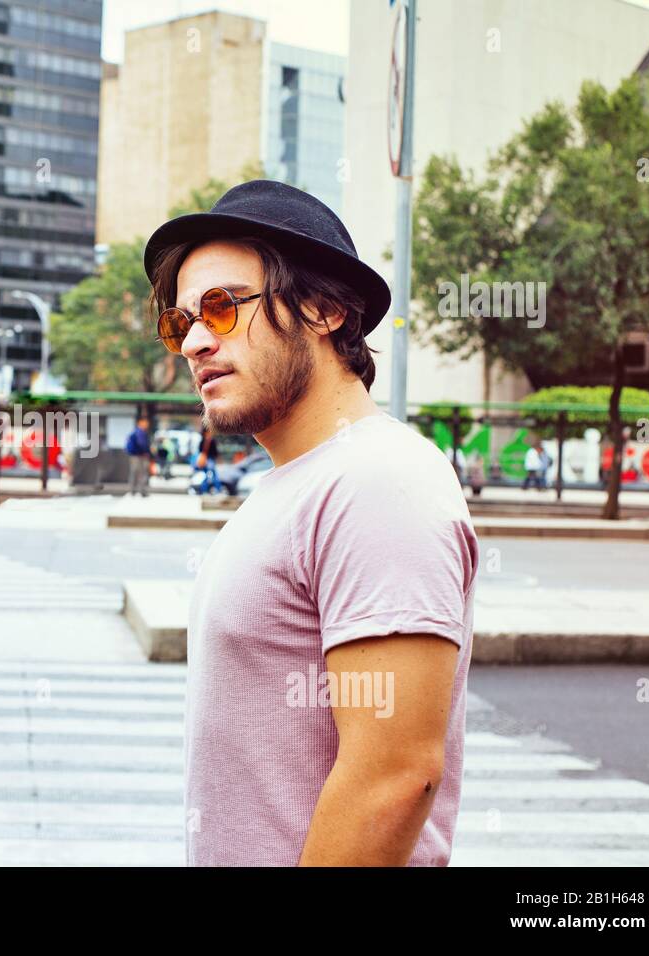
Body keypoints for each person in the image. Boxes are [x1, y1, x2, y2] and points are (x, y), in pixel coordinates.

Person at [145, 179, 477, 866]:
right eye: (182, 322)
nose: (195, 343)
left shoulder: (377, 480)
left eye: (222, 308)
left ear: (324, 307)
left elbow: (393, 777)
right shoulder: (294, 485)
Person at [125, 416, 152, 497]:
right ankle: (141, 490)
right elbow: (142, 444)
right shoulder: (140, 432)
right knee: (142, 473)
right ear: (140, 422)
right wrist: (147, 452)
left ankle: (132, 490)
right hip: (140, 456)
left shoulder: (135, 432)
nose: (147, 424)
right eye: (145, 422)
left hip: (134, 455)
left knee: (134, 472)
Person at [193, 426, 224, 495]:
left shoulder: (202, 441)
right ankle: (217, 489)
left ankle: (205, 490)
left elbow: (200, 451)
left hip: (204, 461)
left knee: (207, 475)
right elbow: (215, 452)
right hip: (210, 460)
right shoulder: (211, 440)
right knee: (213, 475)